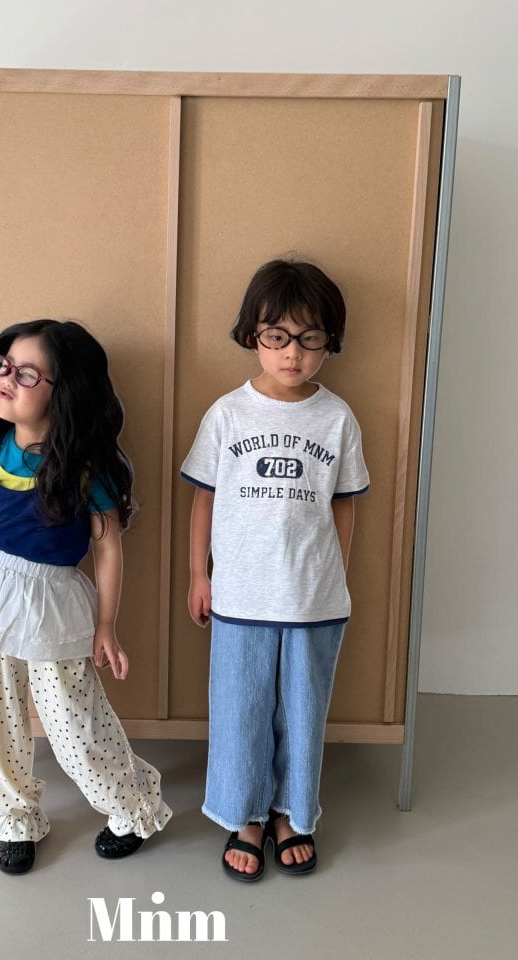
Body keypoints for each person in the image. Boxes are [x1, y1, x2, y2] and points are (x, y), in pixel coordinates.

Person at [0, 318, 171, 874]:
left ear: (66, 392)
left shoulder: (86, 471)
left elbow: (107, 548)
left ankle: (131, 805)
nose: (6, 379)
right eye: (2, 366)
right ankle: (14, 816)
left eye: (27, 373)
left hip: (53, 608)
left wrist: (106, 625)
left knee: (76, 725)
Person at [181, 259, 369, 881]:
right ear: (252, 335)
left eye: (309, 338)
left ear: (329, 341)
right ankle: (246, 816)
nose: (293, 353)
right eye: (277, 336)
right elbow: (203, 499)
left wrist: (337, 574)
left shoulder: (337, 418)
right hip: (239, 596)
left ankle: (292, 813)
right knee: (241, 710)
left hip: (314, 599)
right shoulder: (227, 415)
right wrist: (199, 576)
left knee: (302, 712)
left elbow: (345, 504)